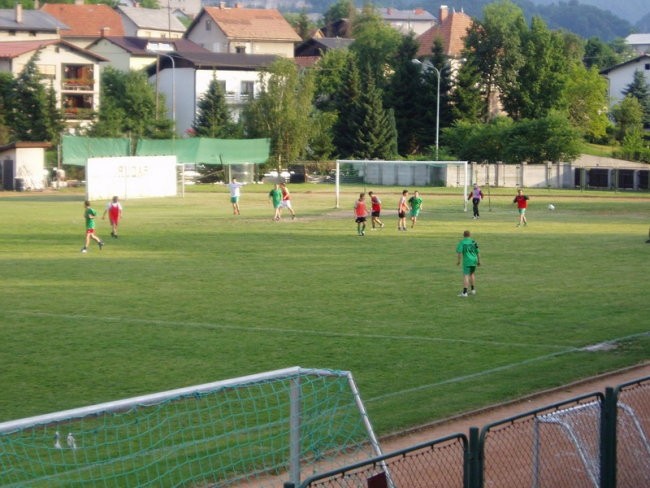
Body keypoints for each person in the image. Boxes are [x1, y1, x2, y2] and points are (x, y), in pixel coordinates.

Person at [456, 230, 480, 297]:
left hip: (467, 261)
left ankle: (464, 292)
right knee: (472, 274)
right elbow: (477, 252)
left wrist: (459, 261)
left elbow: (459, 252)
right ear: (470, 235)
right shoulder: (473, 242)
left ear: (463, 235)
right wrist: (479, 261)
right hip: (474, 260)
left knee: (466, 275)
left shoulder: (462, 242)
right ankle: (473, 290)